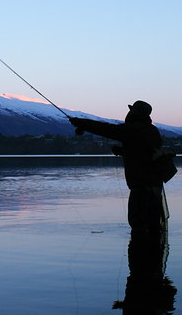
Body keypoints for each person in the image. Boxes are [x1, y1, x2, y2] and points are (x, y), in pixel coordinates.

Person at [69, 100, 169, 233]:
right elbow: (143, 153)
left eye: (131, 110)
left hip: (141, 186)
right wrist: (123, 151)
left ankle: (140, 250)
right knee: (152, 225)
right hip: (155, 185)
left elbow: (108, 129)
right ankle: (151, 250)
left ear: (135, 112)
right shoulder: (152, 130)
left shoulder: (134, 129)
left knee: (139, 224)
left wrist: (82, 123)